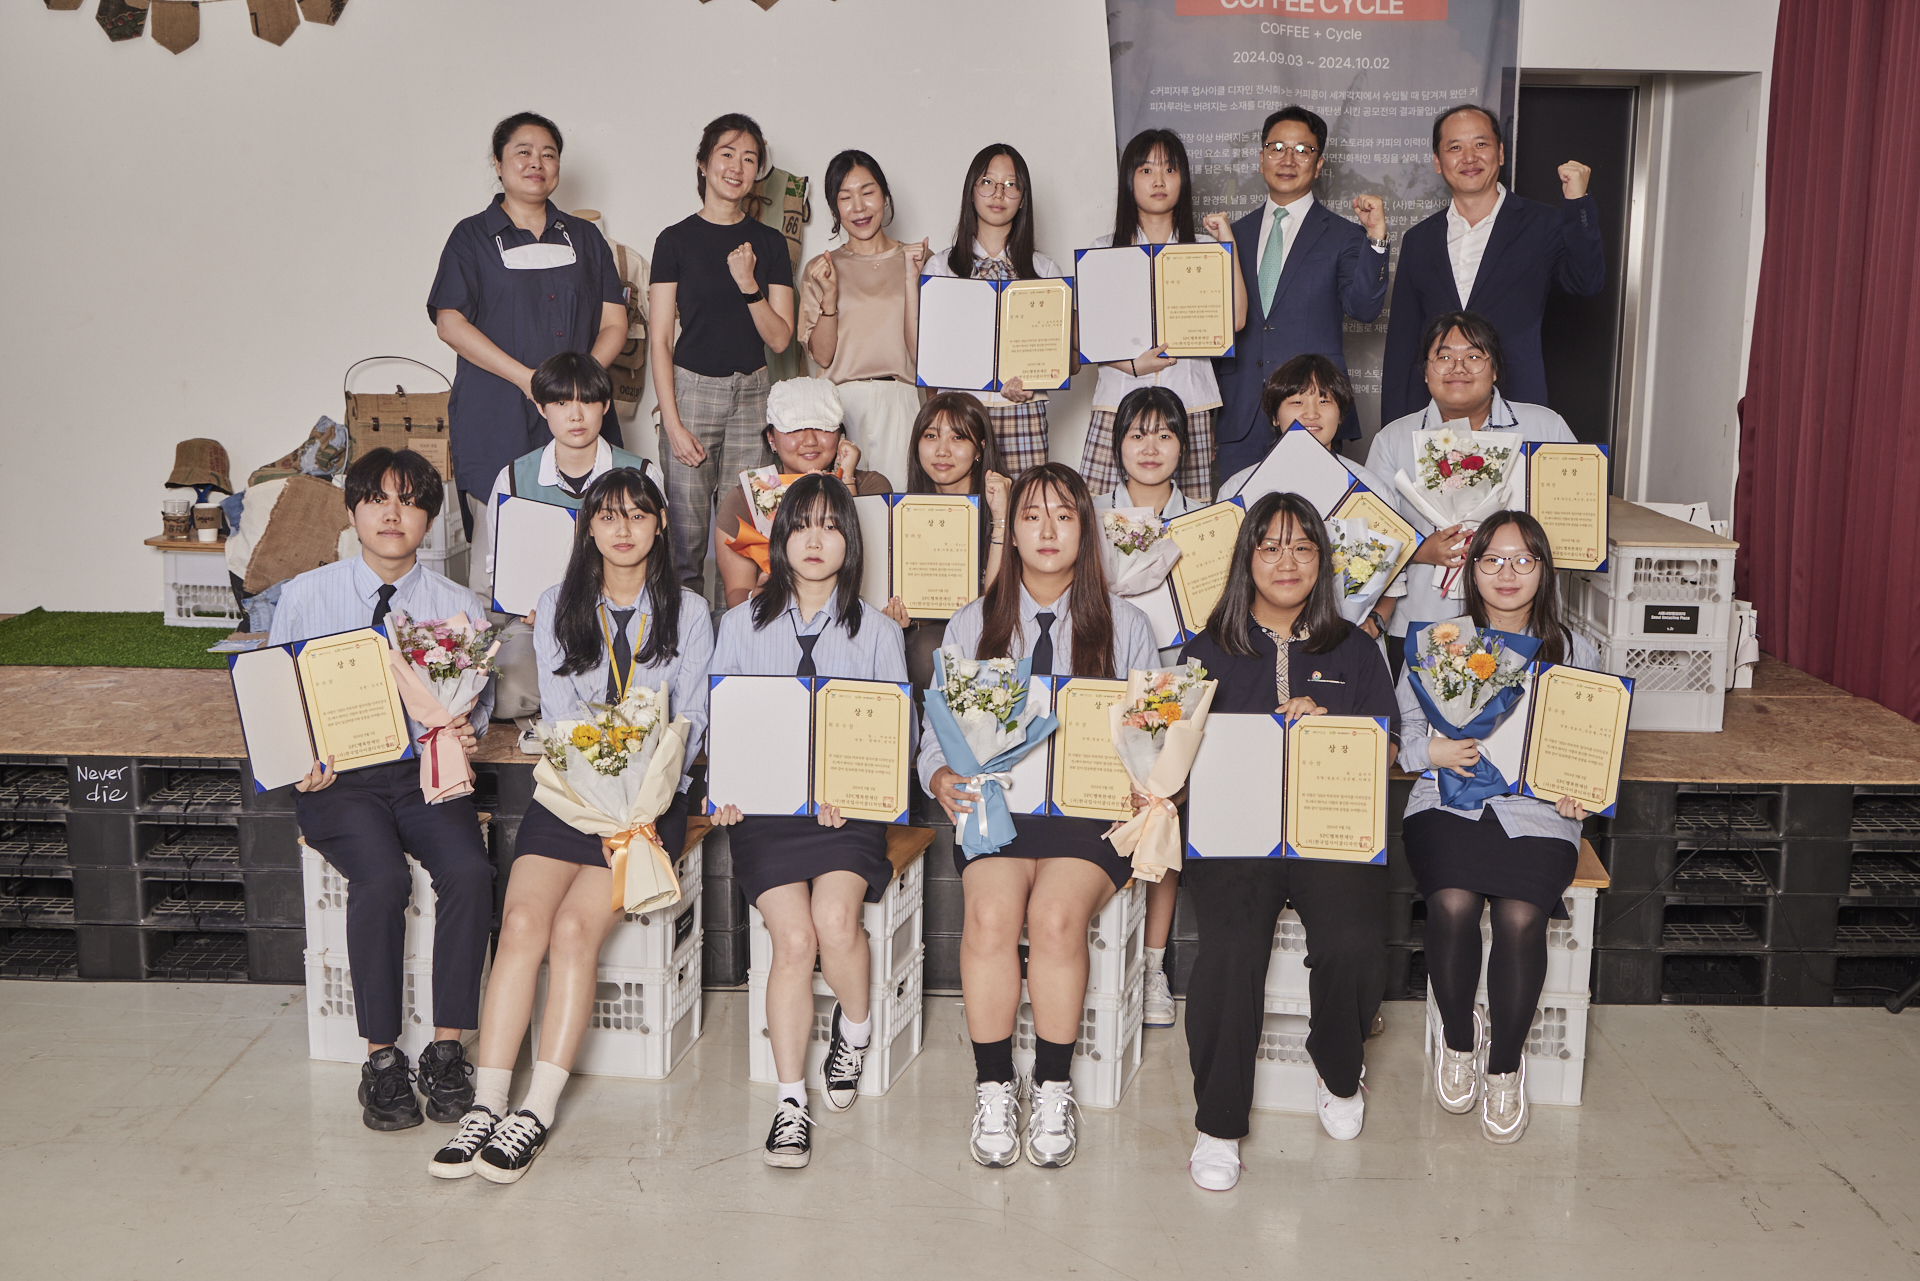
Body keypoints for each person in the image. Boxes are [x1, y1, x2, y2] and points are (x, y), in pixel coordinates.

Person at [429, 468, 711, 1183]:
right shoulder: (560, 603)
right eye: (608, 515)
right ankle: (487, 1104)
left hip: (647, 802)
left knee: (574, 931)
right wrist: (597, 771)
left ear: (659, 525)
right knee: (521, 923)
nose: (623, 529)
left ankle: (536, 1110)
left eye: (637, 515)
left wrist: (642, 797)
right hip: (572, 791)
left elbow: (691, 720)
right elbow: (559, 716)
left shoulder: (690, 611)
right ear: (588, 527)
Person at [920, 464, 1158, 1170]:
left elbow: (1152, 731)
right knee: (992, 915)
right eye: (1031, 516)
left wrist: (1147, 784)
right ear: (1012, 531)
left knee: (1055, 918)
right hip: (999, 805)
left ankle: (1053, 1086)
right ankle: (994, 1086)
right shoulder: (973, 622)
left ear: (1087, 529)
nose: (1048, 530)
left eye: (1063, 515)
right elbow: (936, 729)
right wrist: (938, 775)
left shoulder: (1128, 626)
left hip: (1088, 818)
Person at [269, 447, 495, 1132]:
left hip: (424, 773)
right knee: (381, 879)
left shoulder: (459, 607)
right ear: (352, 511)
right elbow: (278, 698)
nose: (393, 514)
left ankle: (447, 1050)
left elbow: (477, 705)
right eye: (377, 499)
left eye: (410, 501)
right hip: (339, 781)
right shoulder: (306, 596)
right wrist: (299, 760)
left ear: (431, 518)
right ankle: (382, 1058)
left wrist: (467, 730)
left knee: (470, 871)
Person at [1178, 492, 1399, 1190]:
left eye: (1303, 547)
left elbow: (1387, 752)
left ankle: (1338, 1070)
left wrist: (1328, 729)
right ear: (1246, 558)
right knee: (1229, 952)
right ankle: (1218, 1123)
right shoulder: (1206, 650)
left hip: (1329, 832)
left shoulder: (1355, 649)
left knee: (1355, 942)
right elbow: (1172, 751)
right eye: (1270, 546)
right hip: (1235, 836)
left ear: (1322, 562)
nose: (1287, 561)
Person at [709, 473, 912, 1169]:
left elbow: (896, 736)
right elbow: (723, 726)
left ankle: (854, 1029)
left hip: (845, 813)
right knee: (793, 940)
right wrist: (726, 793)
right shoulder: (739, 625)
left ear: (850, 539)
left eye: (830, 525)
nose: (815, 539)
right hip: (766, 813)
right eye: (800, 525)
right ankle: (791, 1101)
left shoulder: (877, 631)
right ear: (779, 539)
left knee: (834, 922)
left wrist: (855, 790)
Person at [1396, 511, 1595, 1144]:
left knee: (1520, 915)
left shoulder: (1574, 650)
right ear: (1472, 569)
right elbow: (1404, 737)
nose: (1507, 574)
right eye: (1492, 560)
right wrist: (1432, 752)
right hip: (1446, 801)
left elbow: (1593, 748)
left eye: (1523, 560)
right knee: (1452, 902)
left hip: (1536, 812)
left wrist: (1584, 792)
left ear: (1544, 569)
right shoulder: (1440, 643)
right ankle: (1460, 1038)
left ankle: (1505, 1066)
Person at [430, 111, 628, 554]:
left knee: (595, 548)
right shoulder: (471, 238)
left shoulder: (585, 238)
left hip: (580, 415)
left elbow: (615, 322)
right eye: (523, 152)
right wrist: (527, 379)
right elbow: (450, 323)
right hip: (497, 416)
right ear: (498, 163)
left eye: (549, 154)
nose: (537, 162)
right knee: (504, 555)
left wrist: (575, 386)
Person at [1365, 311, 1576, 678]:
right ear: (1426, 371)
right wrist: (1422, 550)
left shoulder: (1545, 427)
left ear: (1495, 370)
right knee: (1423, 710)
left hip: (1523, 618)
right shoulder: (1393, 439)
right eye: (1444, 357)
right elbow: (1371, 535)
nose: (1457, 367)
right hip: (1424, 615)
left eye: (1474, 356)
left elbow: (1576, 519)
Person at [1089, 385, 1206, 1030]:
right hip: (1103, 679)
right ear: (1118, 446)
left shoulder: (1204, 523)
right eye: (1138, 434)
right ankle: (1098, 959)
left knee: (1163, 813)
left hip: (1174, 680)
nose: (1151, 447)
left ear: (1183, 447)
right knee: (1102, 812)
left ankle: (1154, 966)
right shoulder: (1088, 515)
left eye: (1165, 434)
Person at [1380, 104, 1603, 424]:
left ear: (1500, 153)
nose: (1469, 157)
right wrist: (1396, 426)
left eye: (1480, 144)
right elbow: (1402, 345)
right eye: (1455, 147)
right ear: (1437, 162)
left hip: (1517, 407)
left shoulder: (1542, 224)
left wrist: (1577, 203)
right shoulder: (1420, 239)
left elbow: (1587, 281)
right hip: (1435, 416)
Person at [649, 112, 797, 590]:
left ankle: (739, 632)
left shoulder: (770, 244)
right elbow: (659, 339)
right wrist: (672, 423)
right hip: (691, 393)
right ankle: (686, 632)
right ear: (703, 163)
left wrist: (748, 285)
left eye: (750, 159)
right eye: (727, 154)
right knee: (685, 539)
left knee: (749, 536)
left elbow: (781, 339)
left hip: (754, 394)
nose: (737, 167)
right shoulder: (674, 241)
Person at [475, 352, 653, 740]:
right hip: (537, 621)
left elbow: (657, 559)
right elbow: (498, 566)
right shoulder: (513, 478)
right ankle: (564, 719)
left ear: (605, 405)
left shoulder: (640, 474)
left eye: (587, 401)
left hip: (623, 619)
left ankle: (577, 718)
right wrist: (524, 606)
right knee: (504, 691)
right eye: (560, 402)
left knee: (641, 687)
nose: (575, 415)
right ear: (541, 407)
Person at [1213, 106, 1389, 477]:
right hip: (1240, 412)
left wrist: (1375, 239)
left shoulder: (1344, 235)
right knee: (1238, 510)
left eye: (1302, 150)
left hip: (1313, 412)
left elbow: (1363, 308)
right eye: (1277, 148)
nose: (1288, 159)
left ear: (1319, 164)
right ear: (1261, 158)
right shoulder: (1232, 236)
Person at [1077, 130, 1246, 496]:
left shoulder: (1204, 247)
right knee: (1102, 515)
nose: (1159, 181)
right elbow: (1084, 333)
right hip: (1117, 401)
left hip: (1189, 403)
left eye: (1169, 170)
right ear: (1129, 179)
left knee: (1187, 517)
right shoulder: (1103, 250)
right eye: (1146, 170)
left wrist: (1226, 243)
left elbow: (1235, 320)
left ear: (1182, 180)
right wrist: (1130, 365)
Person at [1219, 354, 1404, 642]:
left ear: (1341, 414)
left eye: (1324, 400)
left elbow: (1394, 583)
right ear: (1274, 415)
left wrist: (1374, 623)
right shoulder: (1237, 490)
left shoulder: (1371, 490)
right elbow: (1224, 579)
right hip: (1258, 644)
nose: (1311, 413)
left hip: (1347, 644)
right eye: (1296, 402)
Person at [921, 144, 1072, 476]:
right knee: (966, 506)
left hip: (1023, 413)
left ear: (1023, 197)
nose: (998, 193)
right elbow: (927, 354)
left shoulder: (1045, 270)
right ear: (971, 191)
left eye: (1011, 184)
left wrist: (1034, 381)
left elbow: (1066, 360)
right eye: (987, 182)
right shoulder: (941, 268)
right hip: (961, 419)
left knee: (1025, 504)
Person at [798, 150, 931, 490]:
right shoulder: (821, 268)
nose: (858, 207)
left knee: (900, 504)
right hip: (840, 406)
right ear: (834, 207)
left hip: (901, 400)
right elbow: (822, 356)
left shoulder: (918, 260)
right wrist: (829, 297)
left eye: (867, 192)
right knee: (842, 510)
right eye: (845, 197)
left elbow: (932, 352)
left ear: (885, 196)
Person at [713, 377, 892, 610]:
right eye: (794, 429)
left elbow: (870, 566)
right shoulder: (743, 499)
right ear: (771, 438)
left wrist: (847, 478)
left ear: (840, 434)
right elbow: (737, 591)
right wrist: (755, 598)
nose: (809, 440)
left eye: (822, 427)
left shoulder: (872, 487)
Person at [882, 392, 1011, 693]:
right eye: (931, 436)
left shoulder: (1007, 500)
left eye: (957, 438)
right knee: (919, 647)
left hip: (993, 621)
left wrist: (1001, 518)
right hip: (930, 629)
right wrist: (896, 615)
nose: (942, 451)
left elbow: (995, 602)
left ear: (980, 448)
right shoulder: (903, 511)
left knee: (935, 650)